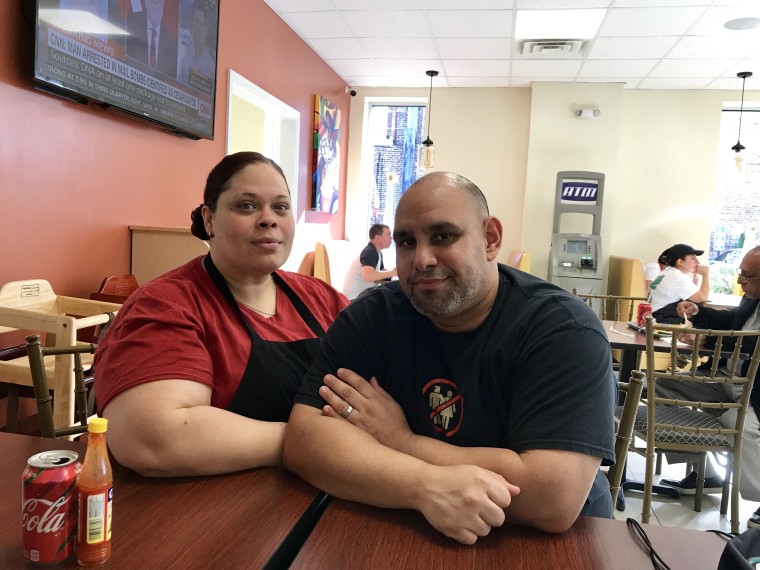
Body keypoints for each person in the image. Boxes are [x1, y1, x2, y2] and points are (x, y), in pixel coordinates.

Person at [284, 172, 616, 544]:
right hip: (411, 530)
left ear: (490, 239)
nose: (422, 259)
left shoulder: (562, 330)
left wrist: (402, 442)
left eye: (443, 236)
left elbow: (551, 498)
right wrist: (423, 486)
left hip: (550, 546)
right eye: (407, 242)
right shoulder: (372, 316)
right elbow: (305, 439)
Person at [94, 152, 348, 477]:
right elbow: (152, 438)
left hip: (326, 493)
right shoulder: (168, 303)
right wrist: (313, 443)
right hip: (207, 513)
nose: (269, 218)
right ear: (209, 219)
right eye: (246, 205)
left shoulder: (322, 298)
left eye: (280, 207)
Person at [658, 246, 760, 529]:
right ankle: (701, 469)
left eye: (747, 277)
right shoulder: (752, 298)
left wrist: (707, 341)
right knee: (662, 384)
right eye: (740, 273)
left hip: (753, 390)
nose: (740, 282)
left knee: (739, 427)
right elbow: (733, 323)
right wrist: (698, 310)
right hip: (727, 377)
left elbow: (749, 341)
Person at [648, 243, 710, 323]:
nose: (697, 262)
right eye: (693, 259)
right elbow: (702, 297)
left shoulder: (667, 272)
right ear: (680, 262)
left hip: (652, 316)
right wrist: (706, 275)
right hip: (661, 319)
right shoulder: (677, 277)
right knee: (701, 312)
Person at [342, 223, 397, 300]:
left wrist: (397, 273)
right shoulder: (369, 252)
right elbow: (368, 276)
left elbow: (380, 272)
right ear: (378, 238)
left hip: (364, 293)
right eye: (388, 235)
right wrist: (392, 273)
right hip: (355, 298)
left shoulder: (378, 252)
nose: (391, 238)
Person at [126, 0, 179, 79]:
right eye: (153, 1)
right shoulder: (131, 22)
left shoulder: (171, 45)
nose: (156, 5)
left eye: (159, 1)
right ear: (146, 2)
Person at [177, 0, 215, 89]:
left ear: (206, 29)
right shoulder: (182, 50)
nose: (198, 27)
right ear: (192, 23)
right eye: (196, 21)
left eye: (201, 23)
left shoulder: (211, 67)